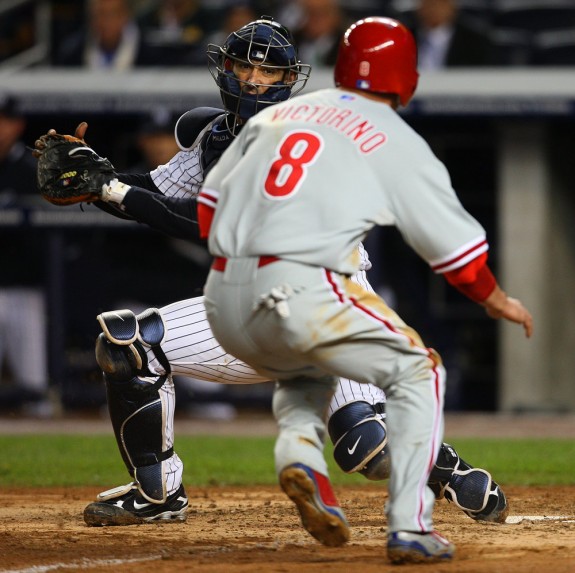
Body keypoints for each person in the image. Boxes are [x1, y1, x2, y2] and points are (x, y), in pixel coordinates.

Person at [36, 16, 511, 536]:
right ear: (227, 70)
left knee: (365, 447)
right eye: (246, 66)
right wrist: (97, 175)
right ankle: (157, 493)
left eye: (271, 72)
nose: (257, 80)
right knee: (129, 345)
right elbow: (156, 192)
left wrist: (110, 190)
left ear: (291, 82)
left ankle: (447, 469)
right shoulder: (216, 136)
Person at [197, 17, 532, 563]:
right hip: (303, 285)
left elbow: (210, 209)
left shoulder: (277, 117)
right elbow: (458, 257)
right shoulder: (394, 137)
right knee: (420, 370)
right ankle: (411, 527)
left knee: (304, 381)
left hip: (223, 297)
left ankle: (302, 457)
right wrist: (495, 298)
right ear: (408, 79)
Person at [0, 95, 53, 417]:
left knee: (36, 389)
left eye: (4, 120)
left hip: (26, 289)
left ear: (18, 125)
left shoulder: (33, 170)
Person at [408, 0, 495, 70]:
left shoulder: (476, 40)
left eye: (441, 3)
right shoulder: (404, 37)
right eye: (429, 2)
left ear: (453, 7)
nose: (434, 7)